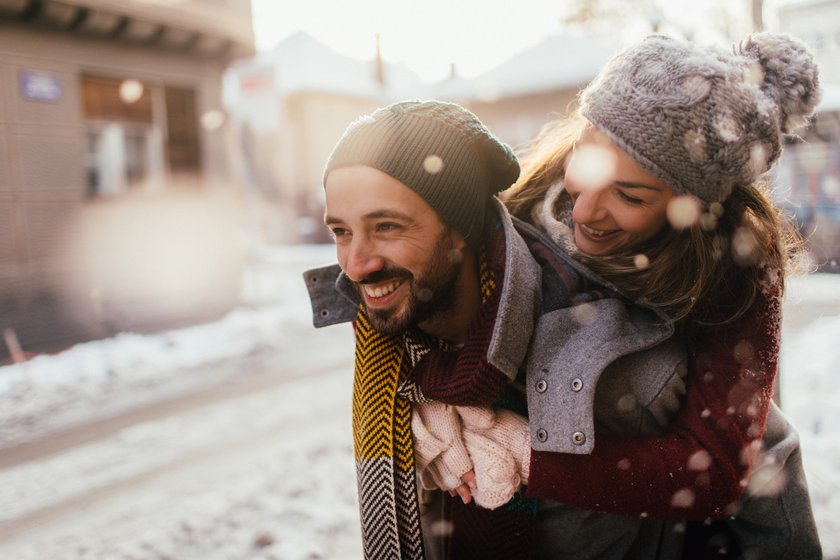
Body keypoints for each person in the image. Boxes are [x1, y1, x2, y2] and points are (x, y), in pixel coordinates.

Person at [411, 32, 824, 558]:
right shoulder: (513, 210)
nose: (584, 210)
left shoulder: (736, 270)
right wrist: (434, 408)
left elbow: (715, 469)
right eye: (586, 162)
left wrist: (529, 456)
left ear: (693, 207)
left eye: (629, 195)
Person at [304, 99, 690, 559]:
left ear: (462, 228)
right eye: (341, 231)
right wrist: (416, 404)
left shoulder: (624, 372)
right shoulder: (390, 361)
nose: (355, 266)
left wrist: (539, 460)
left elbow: (736, 511)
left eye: (386, 226)